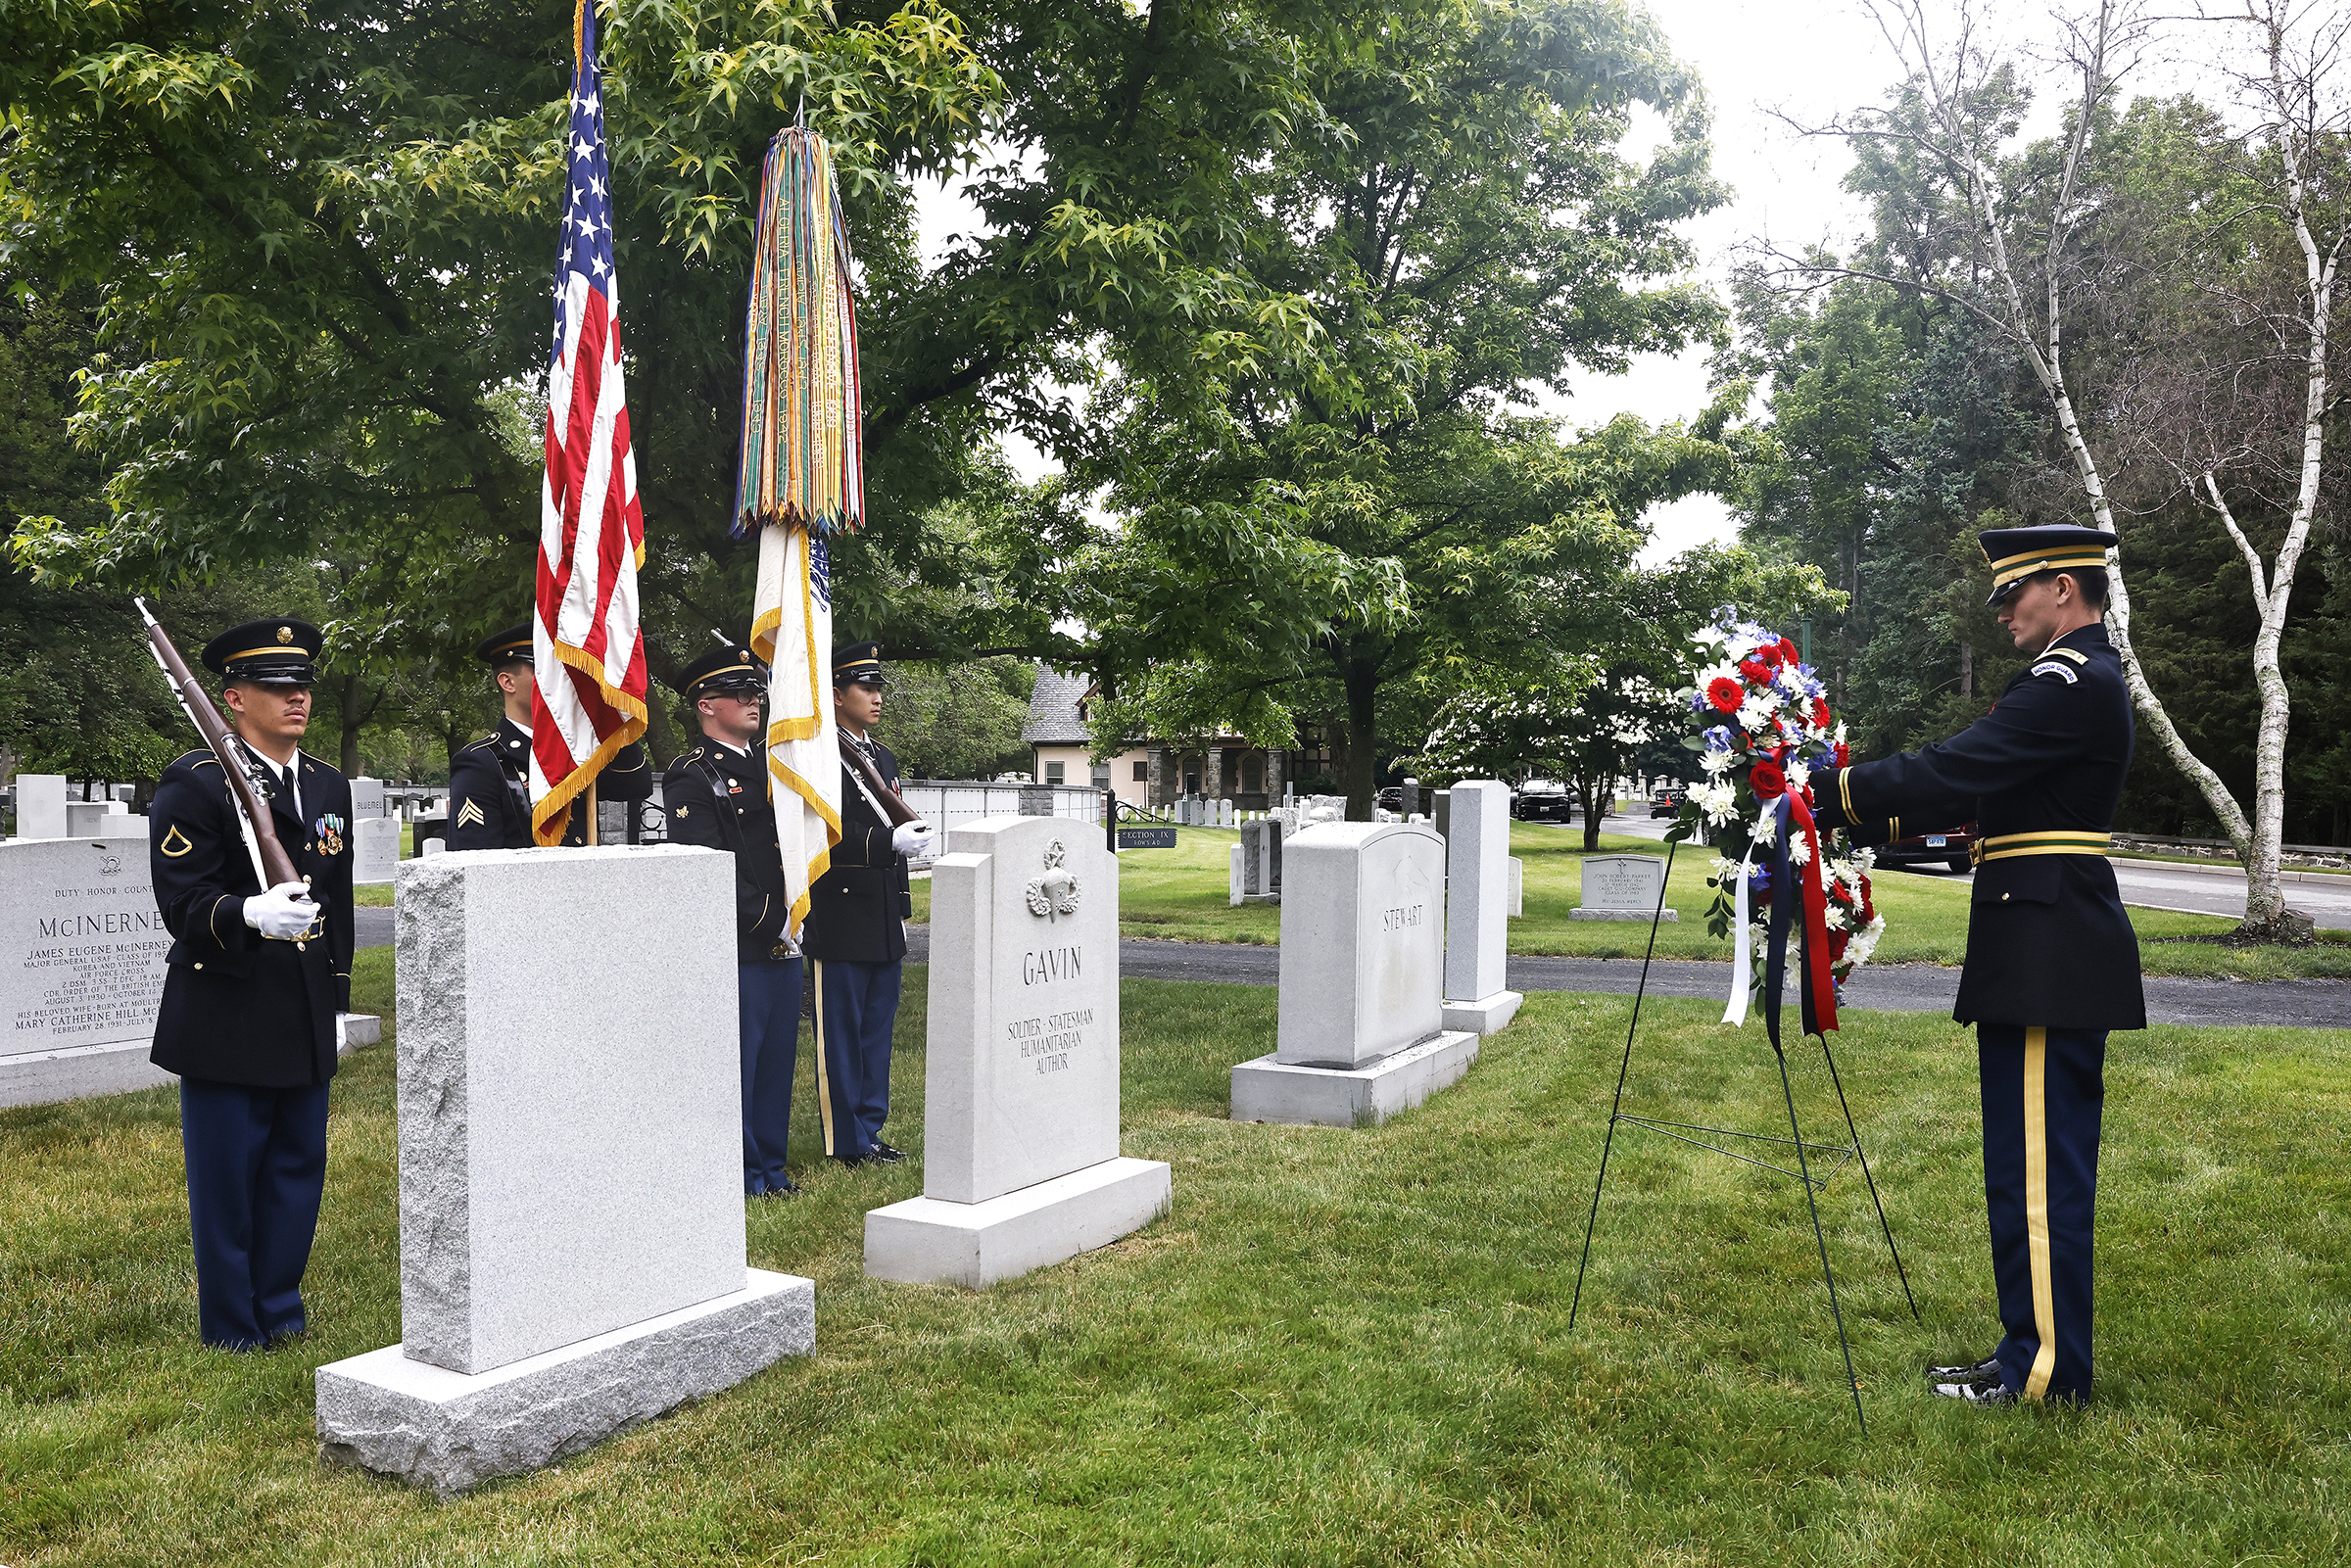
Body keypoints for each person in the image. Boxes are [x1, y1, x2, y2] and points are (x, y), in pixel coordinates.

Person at [1812, 524, 2144, 1407]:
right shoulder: (2068, 681)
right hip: (2037, 944)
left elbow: (1958, 764)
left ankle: (2046, 1374)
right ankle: (2026, 1348)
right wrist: (1845, 816)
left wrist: (1831, 789)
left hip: (2049, 950)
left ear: (2063, 588)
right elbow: (1975, 794)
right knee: (2021, 1170)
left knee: (2040, 1177)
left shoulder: (2071, 680)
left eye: (2012, 594)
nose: (2001, 613)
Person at [147, 617, 356, 1350]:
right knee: (229, 1182)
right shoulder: (197, 782)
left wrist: (336, 1000)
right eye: (277, 686)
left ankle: (281, 1310)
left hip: (303, 1009)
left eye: (303, 685)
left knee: (297, 1172)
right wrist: (249, 913)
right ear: (233, 698)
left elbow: (340, 905)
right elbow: (182, 902)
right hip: (227, 1013)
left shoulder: (326, 783)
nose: (298, 697)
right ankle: (234, 1327)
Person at [662, 641, 804, 1197]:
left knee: (776, 1063)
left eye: (756, 692)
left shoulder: (777, 765)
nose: (754, 701)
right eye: (740, 693)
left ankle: (772, 1167)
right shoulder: (691, 776)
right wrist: (772, 919)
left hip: (788, 934)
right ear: (706, 705)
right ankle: (743, 1173)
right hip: (743, 941)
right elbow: (709, 866)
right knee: (740, 1063)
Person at [803, 641, 932, 1166]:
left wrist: (900, 899)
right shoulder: (815, 755)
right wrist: (885, 843)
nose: (877, 697)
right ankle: (847, 1140)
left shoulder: (881, 756)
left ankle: (870, 1129)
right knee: (841, 1035)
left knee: (877, 1031)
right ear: (836, 695)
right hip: (838, 913)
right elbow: (816, 834)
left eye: (879, 687)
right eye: (865, 687)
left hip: (881, 913)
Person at [447, 622, 652, 849]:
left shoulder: (578, 749)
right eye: (547, 670)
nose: (562, 681)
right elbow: (475, 858)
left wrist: (605, 711)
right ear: (508, 682)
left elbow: (636, 785)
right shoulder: (481, 763)